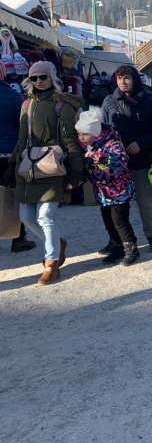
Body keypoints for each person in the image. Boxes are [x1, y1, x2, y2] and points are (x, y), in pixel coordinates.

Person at [3, 62, 82, 284]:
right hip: (27, 167)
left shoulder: (62, 106)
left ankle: (51, 262)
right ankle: (58, 243)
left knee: (46, 216)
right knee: (26, 218)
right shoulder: (26, 104)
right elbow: (21, 138)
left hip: (53, 167)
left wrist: (76, 170)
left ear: (53, 79)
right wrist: (12, 163)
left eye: (43, 77)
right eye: (34, 77)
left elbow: (70, 140)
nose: (38, 81)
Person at [101, 65, 152, 253]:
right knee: (118, 207)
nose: (123, 81)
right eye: (119, 78)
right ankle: (120, 241)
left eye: (127, 78)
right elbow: (104, 129)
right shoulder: (109, 100)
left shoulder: (149, 100)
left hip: (141, 161)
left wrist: (141, 143)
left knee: (145, 202)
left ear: (135, 79)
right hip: (116, 165)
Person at [75, 107, 139, 266]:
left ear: (95, 132)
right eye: (80, 134)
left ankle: (131, 247)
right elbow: (88, 168)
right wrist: (79, 181)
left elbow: (121, 162)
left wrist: (100, 157)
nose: (81, 138)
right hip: (102, 192)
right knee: (108, 220)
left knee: (120, 220)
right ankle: (116, 244)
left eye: (85, 134)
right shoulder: (88, 146)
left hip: (119, 191)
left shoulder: (112, 142)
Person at [0, 74, 35, 252]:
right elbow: (24, 126)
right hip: (9, 154)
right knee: (13, 196)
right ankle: (18, 238)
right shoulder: (13, 96)